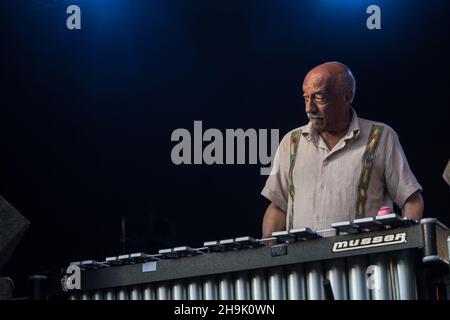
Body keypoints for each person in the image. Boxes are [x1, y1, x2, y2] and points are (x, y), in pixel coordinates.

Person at [261, 62, 424, 239]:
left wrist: (403, 243)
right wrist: (269, 252)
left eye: (319, 98)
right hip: (302, 262)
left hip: (366, 260)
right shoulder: (290, 142)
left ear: (347, 97)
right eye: (306, 98)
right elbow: (278, 207)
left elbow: (411, 199)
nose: (309, 108)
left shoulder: (381, 137)